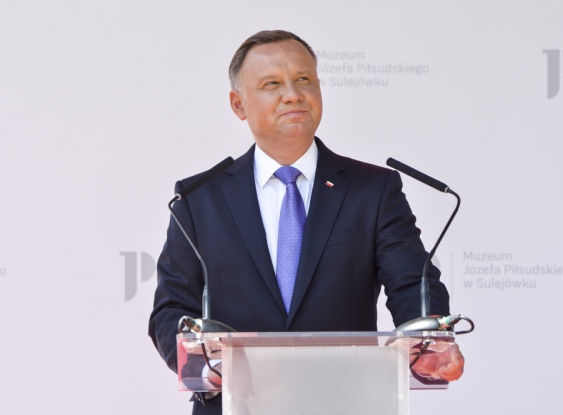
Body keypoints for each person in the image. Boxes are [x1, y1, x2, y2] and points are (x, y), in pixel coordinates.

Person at [149, 30, 464, 415]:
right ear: (238, 104)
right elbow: (172, 310)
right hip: (233, 404)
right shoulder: (199, 199)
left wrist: (428, 339)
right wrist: (201, 361)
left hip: (347, 404)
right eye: (271, 84)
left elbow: (412, 283)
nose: (293, 94)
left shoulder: (372, 190)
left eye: (304, 79)